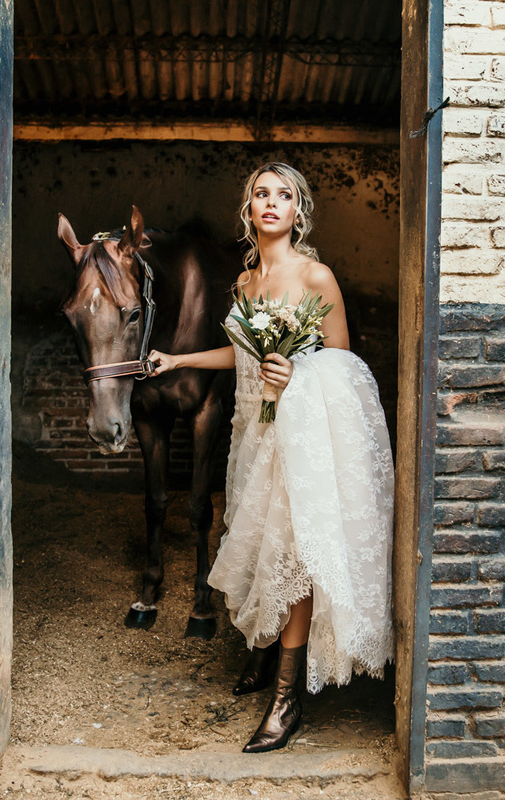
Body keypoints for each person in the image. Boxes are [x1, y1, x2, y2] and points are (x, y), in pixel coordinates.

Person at [147, 163, 394, 753]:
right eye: (262, 193)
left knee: (296, 556)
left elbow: (345, 364)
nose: (271, 203)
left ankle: (286, 699)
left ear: (298, 211)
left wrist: (296, 373)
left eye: (284, 195)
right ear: (249, 208)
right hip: (253, 433)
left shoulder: (315, 276)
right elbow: (240, 355)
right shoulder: (245, 281)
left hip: (301, 436)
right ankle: (264, 655)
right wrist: (178, 361)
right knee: (263, 544)